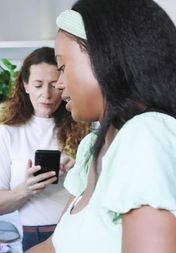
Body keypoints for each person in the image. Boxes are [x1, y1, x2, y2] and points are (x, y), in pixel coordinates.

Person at [28, 0, 176, 252]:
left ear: (107, 58)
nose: (58, 84)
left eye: (62, 67)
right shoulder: (90, 149)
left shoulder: (146, 135)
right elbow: (54, 247)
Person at [0, 47, 90, 252]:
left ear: (63, 84)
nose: (46, 94)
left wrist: (79, 170)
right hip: (34, 236)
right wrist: (26, 189)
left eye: (54, 85)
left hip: (78, 232)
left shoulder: (84, 126)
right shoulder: (7, 133)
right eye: (38, 85)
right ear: (25, 85)